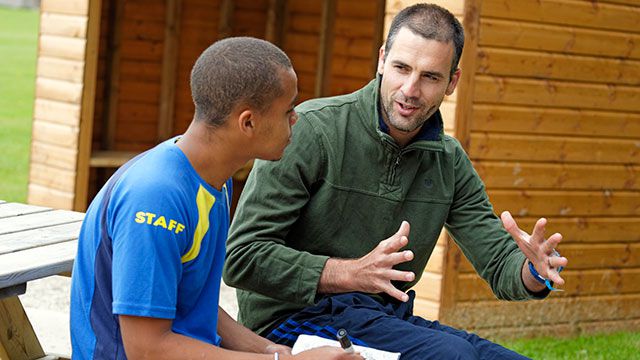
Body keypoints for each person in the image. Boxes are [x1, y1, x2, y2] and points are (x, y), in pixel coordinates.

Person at [223, 4, 569, 360]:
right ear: (382, 59)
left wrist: (533, 271)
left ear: (452, 81)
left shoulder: (448, 161)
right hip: (293, 320)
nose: (410, 89)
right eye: (401, 68)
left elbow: (499, 263)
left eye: (430, 77)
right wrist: (346, 273)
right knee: (453, 356)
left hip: (383, 319)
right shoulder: (311, 130)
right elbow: (242, 256)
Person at [69, 37, 363, 360]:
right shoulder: (156, 197)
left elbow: (192, 302)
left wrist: (270, 350)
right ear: (247, 122)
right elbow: (148, 349)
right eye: (289, 109)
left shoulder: (210, 180)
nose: (296, 118)